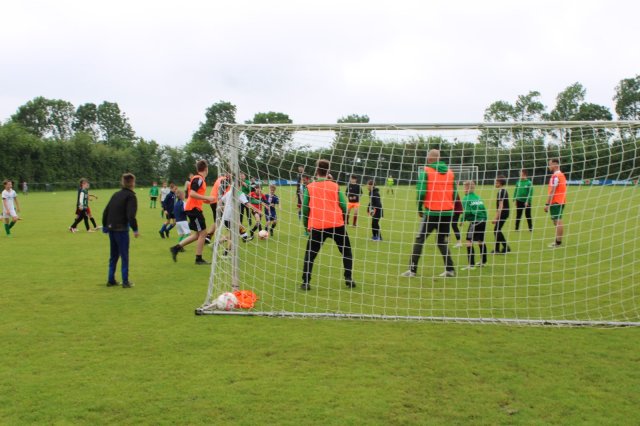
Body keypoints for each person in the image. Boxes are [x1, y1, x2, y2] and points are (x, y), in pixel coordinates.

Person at [301, 159, 355, 291]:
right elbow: (343, 205)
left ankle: (306, 282)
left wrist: (306, 226)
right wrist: (342, 218)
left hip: (318, 225)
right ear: (328, 171)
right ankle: (348, 278)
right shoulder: (335, 186)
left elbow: (305, 209)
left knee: (310, 254)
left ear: (316, 171)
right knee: (346, 251)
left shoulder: (310, 187)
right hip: (336, 224)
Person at [401, 149, 456, 278]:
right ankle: (450, 270)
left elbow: (421, 192)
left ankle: (412, 270)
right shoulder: (450, 172)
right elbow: (454, 192)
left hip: (432, 212)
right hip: (447, 212)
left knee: (419, 239)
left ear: (430, 158)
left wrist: (419, 207)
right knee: (442, 241)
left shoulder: (426, 171)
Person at [169, 160, 216, 265]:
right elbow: (192, 194)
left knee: (198, 234)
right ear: (206, 169)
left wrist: (207, 200)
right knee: (203, 233)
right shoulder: (199, 179)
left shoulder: (200, 179)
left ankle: (176, 248)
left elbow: (196, 196)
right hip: (193, 209)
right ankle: (198, 259)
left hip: (193, 208)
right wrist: (207, 197)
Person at [102, 173, 139, 288]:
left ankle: (111, 279)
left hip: (112, 228)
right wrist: (135, 229)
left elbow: (106, 211)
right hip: (121, 230)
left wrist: (105, 226)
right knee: (124, 255)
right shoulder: (131, 196)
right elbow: (130, 215)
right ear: (132, 183)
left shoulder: (116, 194)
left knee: (113, 255)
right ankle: (125, 281)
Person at [461, 180, 488, 270]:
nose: (463, 189)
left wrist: (462, 220)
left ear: (467, 188)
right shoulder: (478, 197)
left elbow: (466, 212)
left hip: (475, 222)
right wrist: (485, 219)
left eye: (464, 187)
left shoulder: (466, 198)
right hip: (483, 221)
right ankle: (483, 261)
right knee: (481, 241)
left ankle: (471, 265)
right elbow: (484, 210)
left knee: (468, 241)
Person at [545, 158, 567, 248]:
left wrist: (547, 204)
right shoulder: (562, 175)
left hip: (556, 202)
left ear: (554, 165)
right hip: (561, 201)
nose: (549, 166)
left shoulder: (555, 176)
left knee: (558, 221)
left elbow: (552, 191)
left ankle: (558, 242)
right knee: (556, 221)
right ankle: (558, 240)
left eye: (550, 164)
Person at [492, 175, 511, 254]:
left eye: (496, 182)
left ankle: (506, 247)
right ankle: (496, 249)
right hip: (505, 212)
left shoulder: (501, 192)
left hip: (503, 213)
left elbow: (501, 206)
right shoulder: (504, 191)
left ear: (500, 183)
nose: (495, 184)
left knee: (496, 230)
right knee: (497, 230)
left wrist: (495, 217)